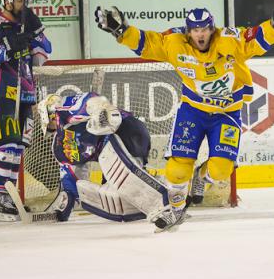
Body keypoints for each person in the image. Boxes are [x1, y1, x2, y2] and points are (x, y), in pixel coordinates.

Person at [95, 4, 274, 230]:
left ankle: (201, 176)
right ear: (188, 32)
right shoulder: (174, 43)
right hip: (193, 111)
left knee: (221, 170)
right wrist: (121, 31)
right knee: (178, 170)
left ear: (212, 29)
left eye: (205, 29)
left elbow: (254, 40)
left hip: (226, 113)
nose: (201, 34)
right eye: (196, 30)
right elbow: (146, 43)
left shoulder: (229, 39)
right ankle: (176, 210)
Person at [37, 91, 182, 230]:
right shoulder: (59, 146)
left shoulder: (63, 110)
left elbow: (93, 100)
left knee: (123, 177)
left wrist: (100, 114)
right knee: (118, 194)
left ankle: (165, 205)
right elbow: (71, 182)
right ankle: (172, 192)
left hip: (126, 131)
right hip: (114, 147)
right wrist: (62, 211)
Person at [0, 0, 52, 222]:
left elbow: (43, 55)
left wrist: (35, 30)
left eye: (26, 1)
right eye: (19, 1)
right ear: (7, 2)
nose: (23, 5)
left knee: (17, 149)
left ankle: (8, 196)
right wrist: (6, 48)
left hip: (25, 94)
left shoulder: (26, 25)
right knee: (5, 146)